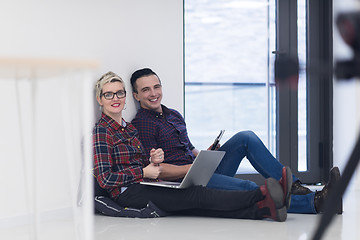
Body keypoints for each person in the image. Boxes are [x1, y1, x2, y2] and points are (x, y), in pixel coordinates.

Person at [130, 68, 342, 214]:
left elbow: (188, 147)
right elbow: (155, 171)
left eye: (156, 87)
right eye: (146, 90)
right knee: (249, 186)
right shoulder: (142, 123)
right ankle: (316, 202)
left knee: (246, 137)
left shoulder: (172, 114)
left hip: (200, 169)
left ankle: (295, 187)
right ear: (136, 96)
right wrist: (193, 167)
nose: (153, 93)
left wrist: (206, 155)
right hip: (187, 182)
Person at [93, 71, 293, 221]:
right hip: (127, 192)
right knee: (195, 196)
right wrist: (143, 171)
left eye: (119, 93)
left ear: (126, 96)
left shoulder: (128, 128)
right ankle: (265, 194)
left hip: (146, 182)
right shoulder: (103, 131)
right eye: (109, 95)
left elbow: (143, 162)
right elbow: (105, 179)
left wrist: (154, 159)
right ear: (100, 99)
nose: (116, 98)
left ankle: (265, 209)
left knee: (195, 206)